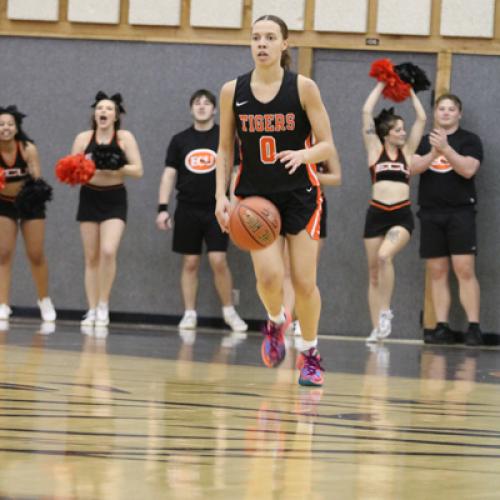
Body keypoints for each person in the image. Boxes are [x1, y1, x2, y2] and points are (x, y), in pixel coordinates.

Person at [215, 15, 338, 386]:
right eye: (256, 38)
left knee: (303, 282)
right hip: (255, 195)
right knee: (268, 277)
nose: (262, 44)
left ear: (285, 44)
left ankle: (311, 354)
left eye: (270, 37)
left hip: (301, 194)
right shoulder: (231, 91)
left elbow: (328, 145)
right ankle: (274, 320)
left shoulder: (303, 87)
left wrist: (304, 156)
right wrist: (220, 195)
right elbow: (223, 149)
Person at [156, 89, 247, 332]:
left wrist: (234, 202)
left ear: (215, 109)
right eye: (197, 103)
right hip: (187, 208)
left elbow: (237, 171)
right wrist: (163, 208)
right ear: (191, 109)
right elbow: (169, 174)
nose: (202, 107)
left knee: (218, 259)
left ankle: (229, 312)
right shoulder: (179, 140)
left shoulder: (226, 138)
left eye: (207, 103)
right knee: (190, 262)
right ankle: (189, 313)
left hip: (217, 209)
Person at [412, 94, 483, 346]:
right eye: (441, 109)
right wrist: (434, 151)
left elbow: (468, 169)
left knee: (464, 269)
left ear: (459, 114)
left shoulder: (469, 140)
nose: (445, 113)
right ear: (435, 113)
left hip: (460, 213)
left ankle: (473, 327)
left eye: (451, 109)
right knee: (437, 272)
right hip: (431, 213)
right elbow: (411, 168)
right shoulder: (423, 142)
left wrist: (446, 149)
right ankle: (442, 326)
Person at [71, 92, 143, 327]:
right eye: (100, 108)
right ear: (95, 114)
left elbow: (138, 170)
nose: (103, 112)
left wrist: (115, 167)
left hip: (114, 198)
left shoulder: (124, 138)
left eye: (109, 109)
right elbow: (71, 171)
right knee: (91, 257)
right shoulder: (83, 138)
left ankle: (104, 304)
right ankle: (91, 308)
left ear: (116, 115)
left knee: (108, 250)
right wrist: (84, 168)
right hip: (90, 196)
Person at [362, 82, 426, 342]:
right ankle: (377, 329)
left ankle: (386, 311)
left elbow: (421, 118)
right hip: (376, 214)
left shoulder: (408, 152)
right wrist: (381, 83)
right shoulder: (374, 150)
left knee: (385, 256)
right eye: (398, 129)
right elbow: (366, 111)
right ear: (387, 133)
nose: (403, 132)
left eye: (403, 129)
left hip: (400, 215)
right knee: (374, 272)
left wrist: (409, 90)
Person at [0, 105, 56, 322]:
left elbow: (38, 181)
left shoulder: (28, 148)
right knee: (3, 253)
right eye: (1, 124)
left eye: (9, 124)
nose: (5, 128)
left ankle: (44, 300)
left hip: (29, 202)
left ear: (16, 127)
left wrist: (31, 178)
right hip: (3, 204)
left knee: (36, 253)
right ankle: (3, 303)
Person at [283, 156, 342, 337]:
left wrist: (309, 173)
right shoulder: (290, 139)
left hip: (315, 205)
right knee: (287, 270)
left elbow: (336, 178)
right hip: (289, 204)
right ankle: (286, 320)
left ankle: (302, 320)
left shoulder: (323, 147)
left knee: (306, 273)